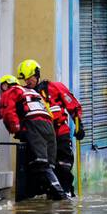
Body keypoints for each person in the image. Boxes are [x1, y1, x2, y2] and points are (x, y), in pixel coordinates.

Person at [0, 64, 65, 200]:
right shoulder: (32, 92)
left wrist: (16, 128)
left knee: (41, 165)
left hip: (35, 124)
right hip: (49, 127)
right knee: (48, 166)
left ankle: (61, 196)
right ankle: (50, 196)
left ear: (5, 85)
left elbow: (8, 111)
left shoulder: (12, 91)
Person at [22, 60, 84, 198]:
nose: (28, 81)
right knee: (45, 169)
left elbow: (73, 105)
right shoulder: (27, 94)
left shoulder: (55, 87)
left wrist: (79, 124)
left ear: (37, 74)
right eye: (25, 79)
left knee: (64, 166)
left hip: (60, 134)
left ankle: (67, 194)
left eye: (30, 78)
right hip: (43, 138)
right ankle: (53, 197)